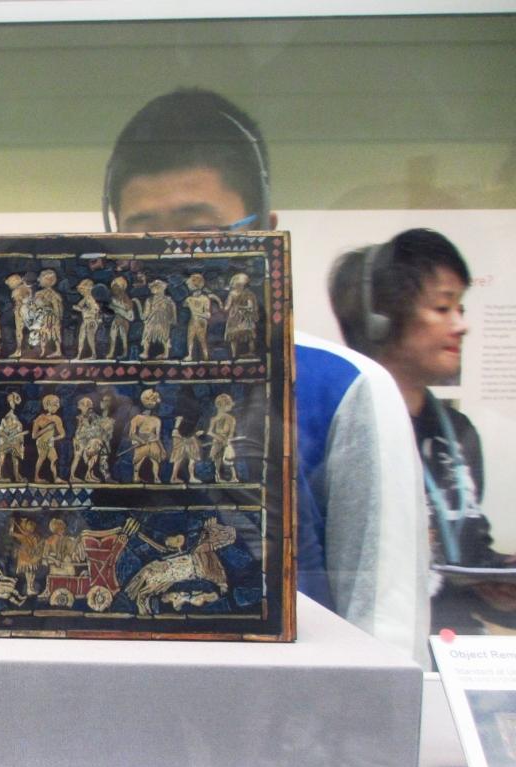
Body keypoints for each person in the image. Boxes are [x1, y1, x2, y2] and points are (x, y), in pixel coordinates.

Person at [104, 89, 429, 663]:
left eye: (200, 231)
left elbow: (386, 624)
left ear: (266, 233)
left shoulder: (341, 388)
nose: (171, 257)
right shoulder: (97, 389)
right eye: (140, 234)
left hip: (292, 707)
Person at [330, 228, 516, 634]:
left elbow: (466, 547)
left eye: (460, 308)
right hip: (376, 648)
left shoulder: (458, 433)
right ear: (380, 318)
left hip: (455, 651)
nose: (461, 325)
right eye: (443, 307)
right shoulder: (339, 429)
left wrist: (497, 580)